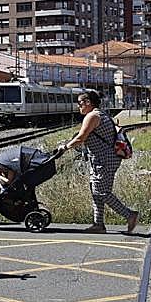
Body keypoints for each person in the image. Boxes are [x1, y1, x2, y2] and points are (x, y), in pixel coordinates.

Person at [57, 89, 139, 235]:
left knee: (101, 192)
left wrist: (65, 147)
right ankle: (98, 224)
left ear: (88, 102)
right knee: (96, 192)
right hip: (101, 159)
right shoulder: (100, 114)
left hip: (105, 159)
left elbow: (81, 137)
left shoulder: (92, 116)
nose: (78, 106)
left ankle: (130, 215)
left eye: (80, 103)